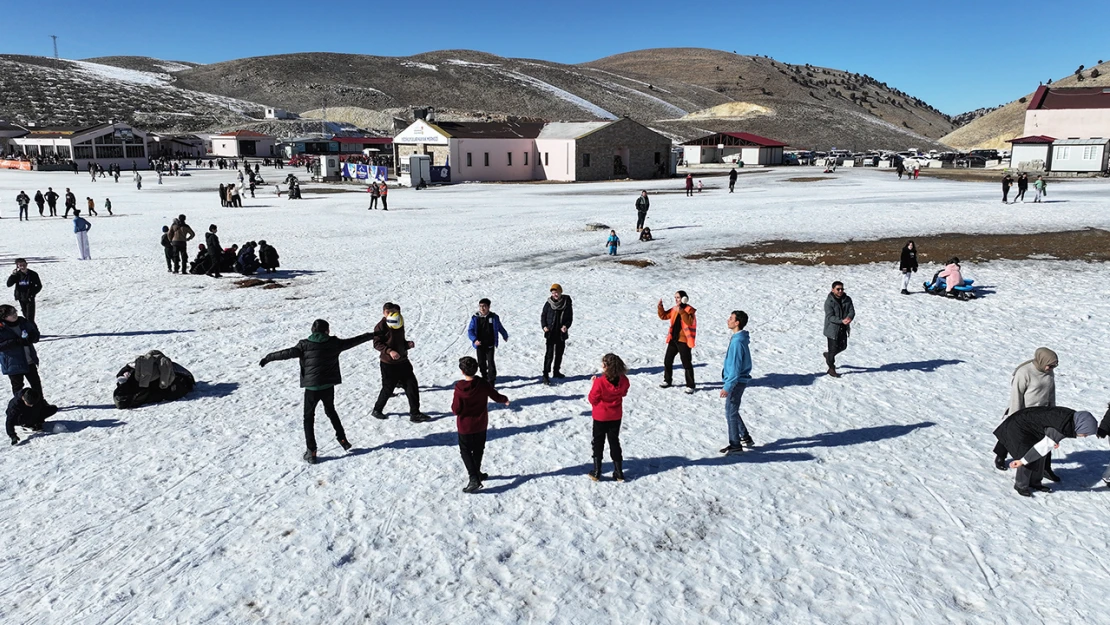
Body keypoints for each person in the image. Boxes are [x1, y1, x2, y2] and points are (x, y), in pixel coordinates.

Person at [259, 319, 375, 464]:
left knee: (308, 418)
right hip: (327, 387)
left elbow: (285, 353)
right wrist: (371, 335)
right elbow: (355, 341)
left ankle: (311, 451)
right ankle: (343, 439)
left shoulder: (304, 345)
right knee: (331, 411)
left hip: (312, 389)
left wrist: (268, 358)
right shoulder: (334, 343)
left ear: (313, 331)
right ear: (327, 330)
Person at [995, 407, 1097, 497]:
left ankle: (1035, 483)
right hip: (1019, 426)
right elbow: (1041, 448)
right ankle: (1021, 485)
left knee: (1041, 455)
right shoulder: (1064, 425)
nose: (1085, 436)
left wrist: (1054, 440)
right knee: (1028, 454)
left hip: (1030, 424)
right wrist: (1022, 461)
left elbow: (1051, 427)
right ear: (1081, 426)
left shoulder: (1071, 419)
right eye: (1085, 433)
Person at [994, 348, 1059, 476]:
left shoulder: (1049, 373)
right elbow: (1016, 395)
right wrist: (1014, 416)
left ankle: (1046, 468)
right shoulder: (1024, 372)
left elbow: (1051, 392)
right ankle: (1000, 455)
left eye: (1054, 366)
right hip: (1024, 412)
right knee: (1010, 433)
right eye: (1050, 365)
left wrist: (1053, 410)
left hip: (1041, 412)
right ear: (1042, 360)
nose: (1051, 368)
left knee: (1046, 439)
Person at [452, 356, 510, 493]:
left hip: (465, 426)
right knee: (478, 449)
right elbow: (495, 396)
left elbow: (455, 409)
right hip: (481, 424)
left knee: (465, 451)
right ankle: (477, 473)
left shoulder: (459, 387)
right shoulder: (483, 384)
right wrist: (505, 400)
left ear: (462, 371)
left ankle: (473, 478)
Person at [371, 303, 429, 422]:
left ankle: (415, 413)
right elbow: (377, 344)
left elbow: (400, 341)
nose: (390, 314)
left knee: (412, 385)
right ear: (384, 313)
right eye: (387, 312)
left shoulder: (398, 322)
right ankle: (377, 410)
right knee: (388, 388)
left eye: (392, 312)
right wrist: (390, 351)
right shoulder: (380, 326)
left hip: (403, 361)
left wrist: (407, 345)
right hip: (389, 364)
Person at [588, 353, 630, 482]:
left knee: (598, 442)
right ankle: (618, 472)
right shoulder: (623, 380)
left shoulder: (600, 382)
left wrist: (594, 384)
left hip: (601, 416)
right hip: (615, 416)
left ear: (606, 366)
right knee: (614, 441)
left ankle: (596, 471)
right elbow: (623, 393)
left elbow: (592, 398)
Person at [720, 310, 753, 454]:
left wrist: (727, 386)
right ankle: (745, 437)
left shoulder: (738, 342)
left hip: (736, 381)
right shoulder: (738, 338)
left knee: (730, 413)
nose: (728, 320)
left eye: (731, 318)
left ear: (737, 322)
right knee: (732, 410)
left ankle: (735, 445)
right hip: (737, 380)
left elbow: (735, 367)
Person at [0, 304, 43, 398]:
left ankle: (41, 405)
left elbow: (35, 333)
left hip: (29, 360)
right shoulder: (1, 328)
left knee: (36, 384)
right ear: (4, 317)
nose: (15, 314)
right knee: (18, 388)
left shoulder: (23, 321)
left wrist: (32, 337)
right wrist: (17, 342)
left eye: (15, 311)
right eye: (11, 313)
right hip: (13, 364)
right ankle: (21, 408)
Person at [658, 291, 698, 393]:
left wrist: (682, 312)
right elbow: (664, 316)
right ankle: (667, 380)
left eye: (678, 298)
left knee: (686, 363)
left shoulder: (689, 310)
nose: (676, 299)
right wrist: (660, 307)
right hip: (673, 339)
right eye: (675, 297)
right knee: (667, 360)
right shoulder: (675, 309)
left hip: (684, 340)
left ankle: (690, 385)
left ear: (684, 298)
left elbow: (689, 321)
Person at [467, 298, 509, 386]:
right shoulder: (475, 318)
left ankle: (492, 380)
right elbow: (470, 330)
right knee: (481, 362)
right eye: (480, 306)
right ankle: (484, 376)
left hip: (490, 343)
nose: (482, 309)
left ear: (488, 307)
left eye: (484, 306)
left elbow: (499, 327)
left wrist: (504, 335)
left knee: (490, 362)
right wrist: (474, 340)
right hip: (480, 344)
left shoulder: (493, 317)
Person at [541, 284, 573, 385]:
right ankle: (546, 374)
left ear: (560, 292)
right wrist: (544, 326)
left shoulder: (566, 303)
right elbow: (543, 315)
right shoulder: (548, 303)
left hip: (561, 334)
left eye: (557, 292)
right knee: (549, 355)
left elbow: (569, 318)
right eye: (553, 292)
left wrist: (566, 326)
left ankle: (556, 371)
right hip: (550, 333)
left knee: (559, 354)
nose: (555, 294)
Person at [822, 281, 854, 378]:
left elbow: (851, 310)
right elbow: (830, 317)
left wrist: (850, 317)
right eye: (838, 289)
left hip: (843, 328)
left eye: (842, 289)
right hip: (832, 329)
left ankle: (828, 356)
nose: (840, 291)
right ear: (833, 290)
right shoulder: (829, 302)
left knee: (843, 346)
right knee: (833, 349)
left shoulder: (847, 299)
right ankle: (831, 368)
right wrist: (841, 320)